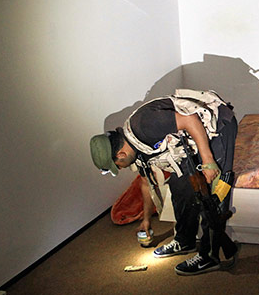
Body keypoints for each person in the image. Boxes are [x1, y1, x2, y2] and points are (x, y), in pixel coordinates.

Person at [89, 89, 239, 276]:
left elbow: (190, 120)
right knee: (180, 186)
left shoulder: (143, 125)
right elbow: (145, 183)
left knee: (212, 191)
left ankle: (210, 256)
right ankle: (185, 240)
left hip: (217, 125)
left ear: (121, 154)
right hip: (188, 139)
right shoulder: (135, 148)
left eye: (116, 165)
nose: (119, 169)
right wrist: (145, 220)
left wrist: (208, 161)